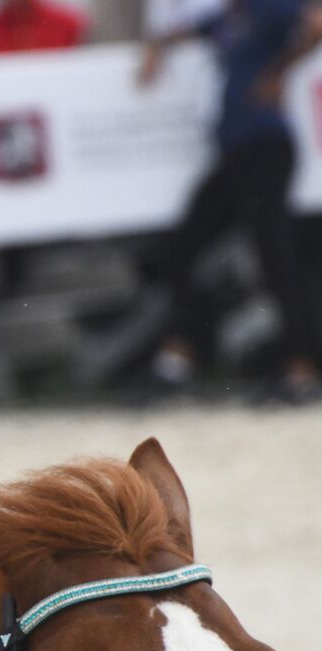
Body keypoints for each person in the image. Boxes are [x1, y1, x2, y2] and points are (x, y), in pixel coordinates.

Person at [140, 0, 322, 404]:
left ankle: (300, 369)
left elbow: (315, 25)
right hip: (235, 152)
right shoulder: (228, 17)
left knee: (275, 255)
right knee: (185, 244)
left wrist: (278, 72)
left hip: (266, 146)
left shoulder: (271, 8)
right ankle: (180, 355)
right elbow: (179, 31)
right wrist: (155, 49)